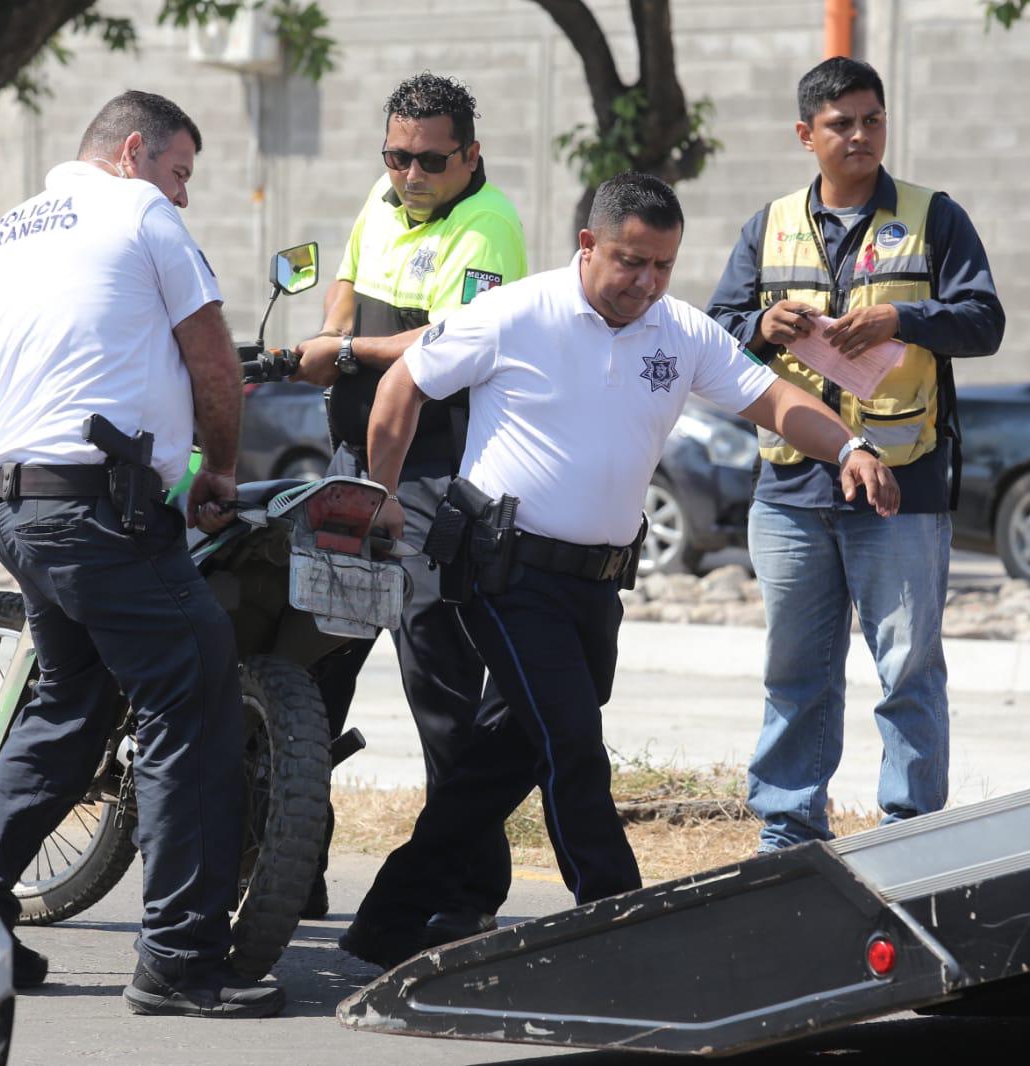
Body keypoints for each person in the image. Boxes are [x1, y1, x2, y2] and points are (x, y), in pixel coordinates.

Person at [338, 172, 899, 970]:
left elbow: (771, 399)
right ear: (589, 246)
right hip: (502, 567)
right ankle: (621, 924)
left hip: (595, 582)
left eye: (663, 265)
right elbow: (402, 385)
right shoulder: (514, 314)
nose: (647, 282)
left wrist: (849, 446)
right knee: (571, 745)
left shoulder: (680, 332)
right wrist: (382, 496)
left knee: (508, 754)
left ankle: (385, 923)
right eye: (631, 262)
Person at [0, 90, 282, 1019]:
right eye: (181, 171)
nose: (182, 195)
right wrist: (218, 474)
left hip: (13, 503)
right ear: (135, 150)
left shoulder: (7, 230)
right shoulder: (139, 211)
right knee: (190, 690)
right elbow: (214, 363)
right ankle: (179, 961)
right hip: (101, 513)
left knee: (71, 701)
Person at [705, 57, 1005, 853]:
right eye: (841, 123)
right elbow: (716, 329)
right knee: (795, 674)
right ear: (806, 135)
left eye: (872, 119)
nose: (861, 135)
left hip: (903, 487)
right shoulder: (766, 226)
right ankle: (789, 830)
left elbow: (984, 321)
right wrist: (761, 327)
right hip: (793, 489)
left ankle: (909, 834)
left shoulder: (933, 216)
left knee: (907, 672)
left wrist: (902, 323)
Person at [291, 72, 527, 936]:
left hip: (432, 476)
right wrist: (329, 338)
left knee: (441, 683)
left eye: (430, 159)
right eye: (397, 156)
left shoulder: (488, 221)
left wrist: (342, 351)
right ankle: (293, 866)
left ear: (470, 154)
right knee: (311, 666)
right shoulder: (382, 198)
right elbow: (344, 288)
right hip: (352, 458)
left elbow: (451, 342)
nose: (410, 174)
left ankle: (466, 896)